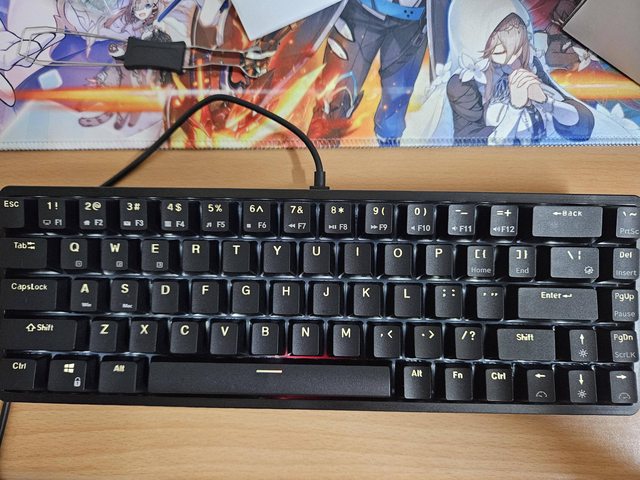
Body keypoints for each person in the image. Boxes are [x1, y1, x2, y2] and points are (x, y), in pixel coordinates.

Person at [445, 0, 594, 145]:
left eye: (518, 48)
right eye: (501, 52)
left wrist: (546, 102)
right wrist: (514, 109)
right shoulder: (463, 85)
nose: (512, 60)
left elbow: (583, 127)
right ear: (476, 45)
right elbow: (471, 147)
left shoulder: (528, 63)